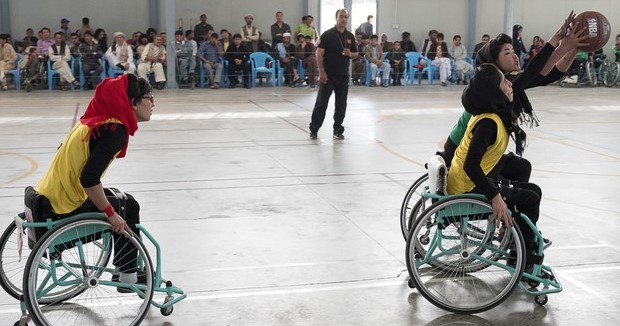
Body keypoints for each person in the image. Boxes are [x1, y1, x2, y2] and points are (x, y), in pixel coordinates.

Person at [34, 73, 153, 289]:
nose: (153, 103)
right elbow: (88, 179)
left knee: (121, 199)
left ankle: (124, 268)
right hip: (65, 204)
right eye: (149, 97)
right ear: (133, 102)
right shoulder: (114, 130)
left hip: (50, 193)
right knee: (127, 207)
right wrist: (110, 214)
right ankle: (127, 275)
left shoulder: (92, 122)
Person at [440, 11, 588, 183]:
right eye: (507, 52)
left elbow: (549, 75)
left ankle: (511, 206)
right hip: (459, 153)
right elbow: (536, 71)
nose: (514, 54)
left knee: (521, 167)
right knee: (519, 171)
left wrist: (573, 49)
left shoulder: (508, 83)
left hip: (475, 150)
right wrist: (562, 42)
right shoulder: (497, 84)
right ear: (495, 63)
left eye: (513, 50)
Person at [446, 63, 544, 268]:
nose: (510, 83)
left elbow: (529, 76)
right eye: (504, 81)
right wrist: (495, 197)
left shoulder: (493, 113)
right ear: (494, 93)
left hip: (466, 183)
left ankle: (518, 245)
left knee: (533, 189)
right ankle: (522, 258)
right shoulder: (488, 124)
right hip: (466, 189)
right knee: (530, 198)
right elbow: (470, 166)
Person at [309, 9, 358, 140]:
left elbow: (356, 54)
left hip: (343, 76)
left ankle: (338, 129)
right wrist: (322, 72)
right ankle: (314, 128)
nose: (343, 19)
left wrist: (350, 54)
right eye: (341, 16)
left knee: (341, 104)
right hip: (328, 75)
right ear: (336, 18)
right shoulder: (327, 35)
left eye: (346, 17)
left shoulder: (350, 36)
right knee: (321, 103)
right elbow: (319, 54)